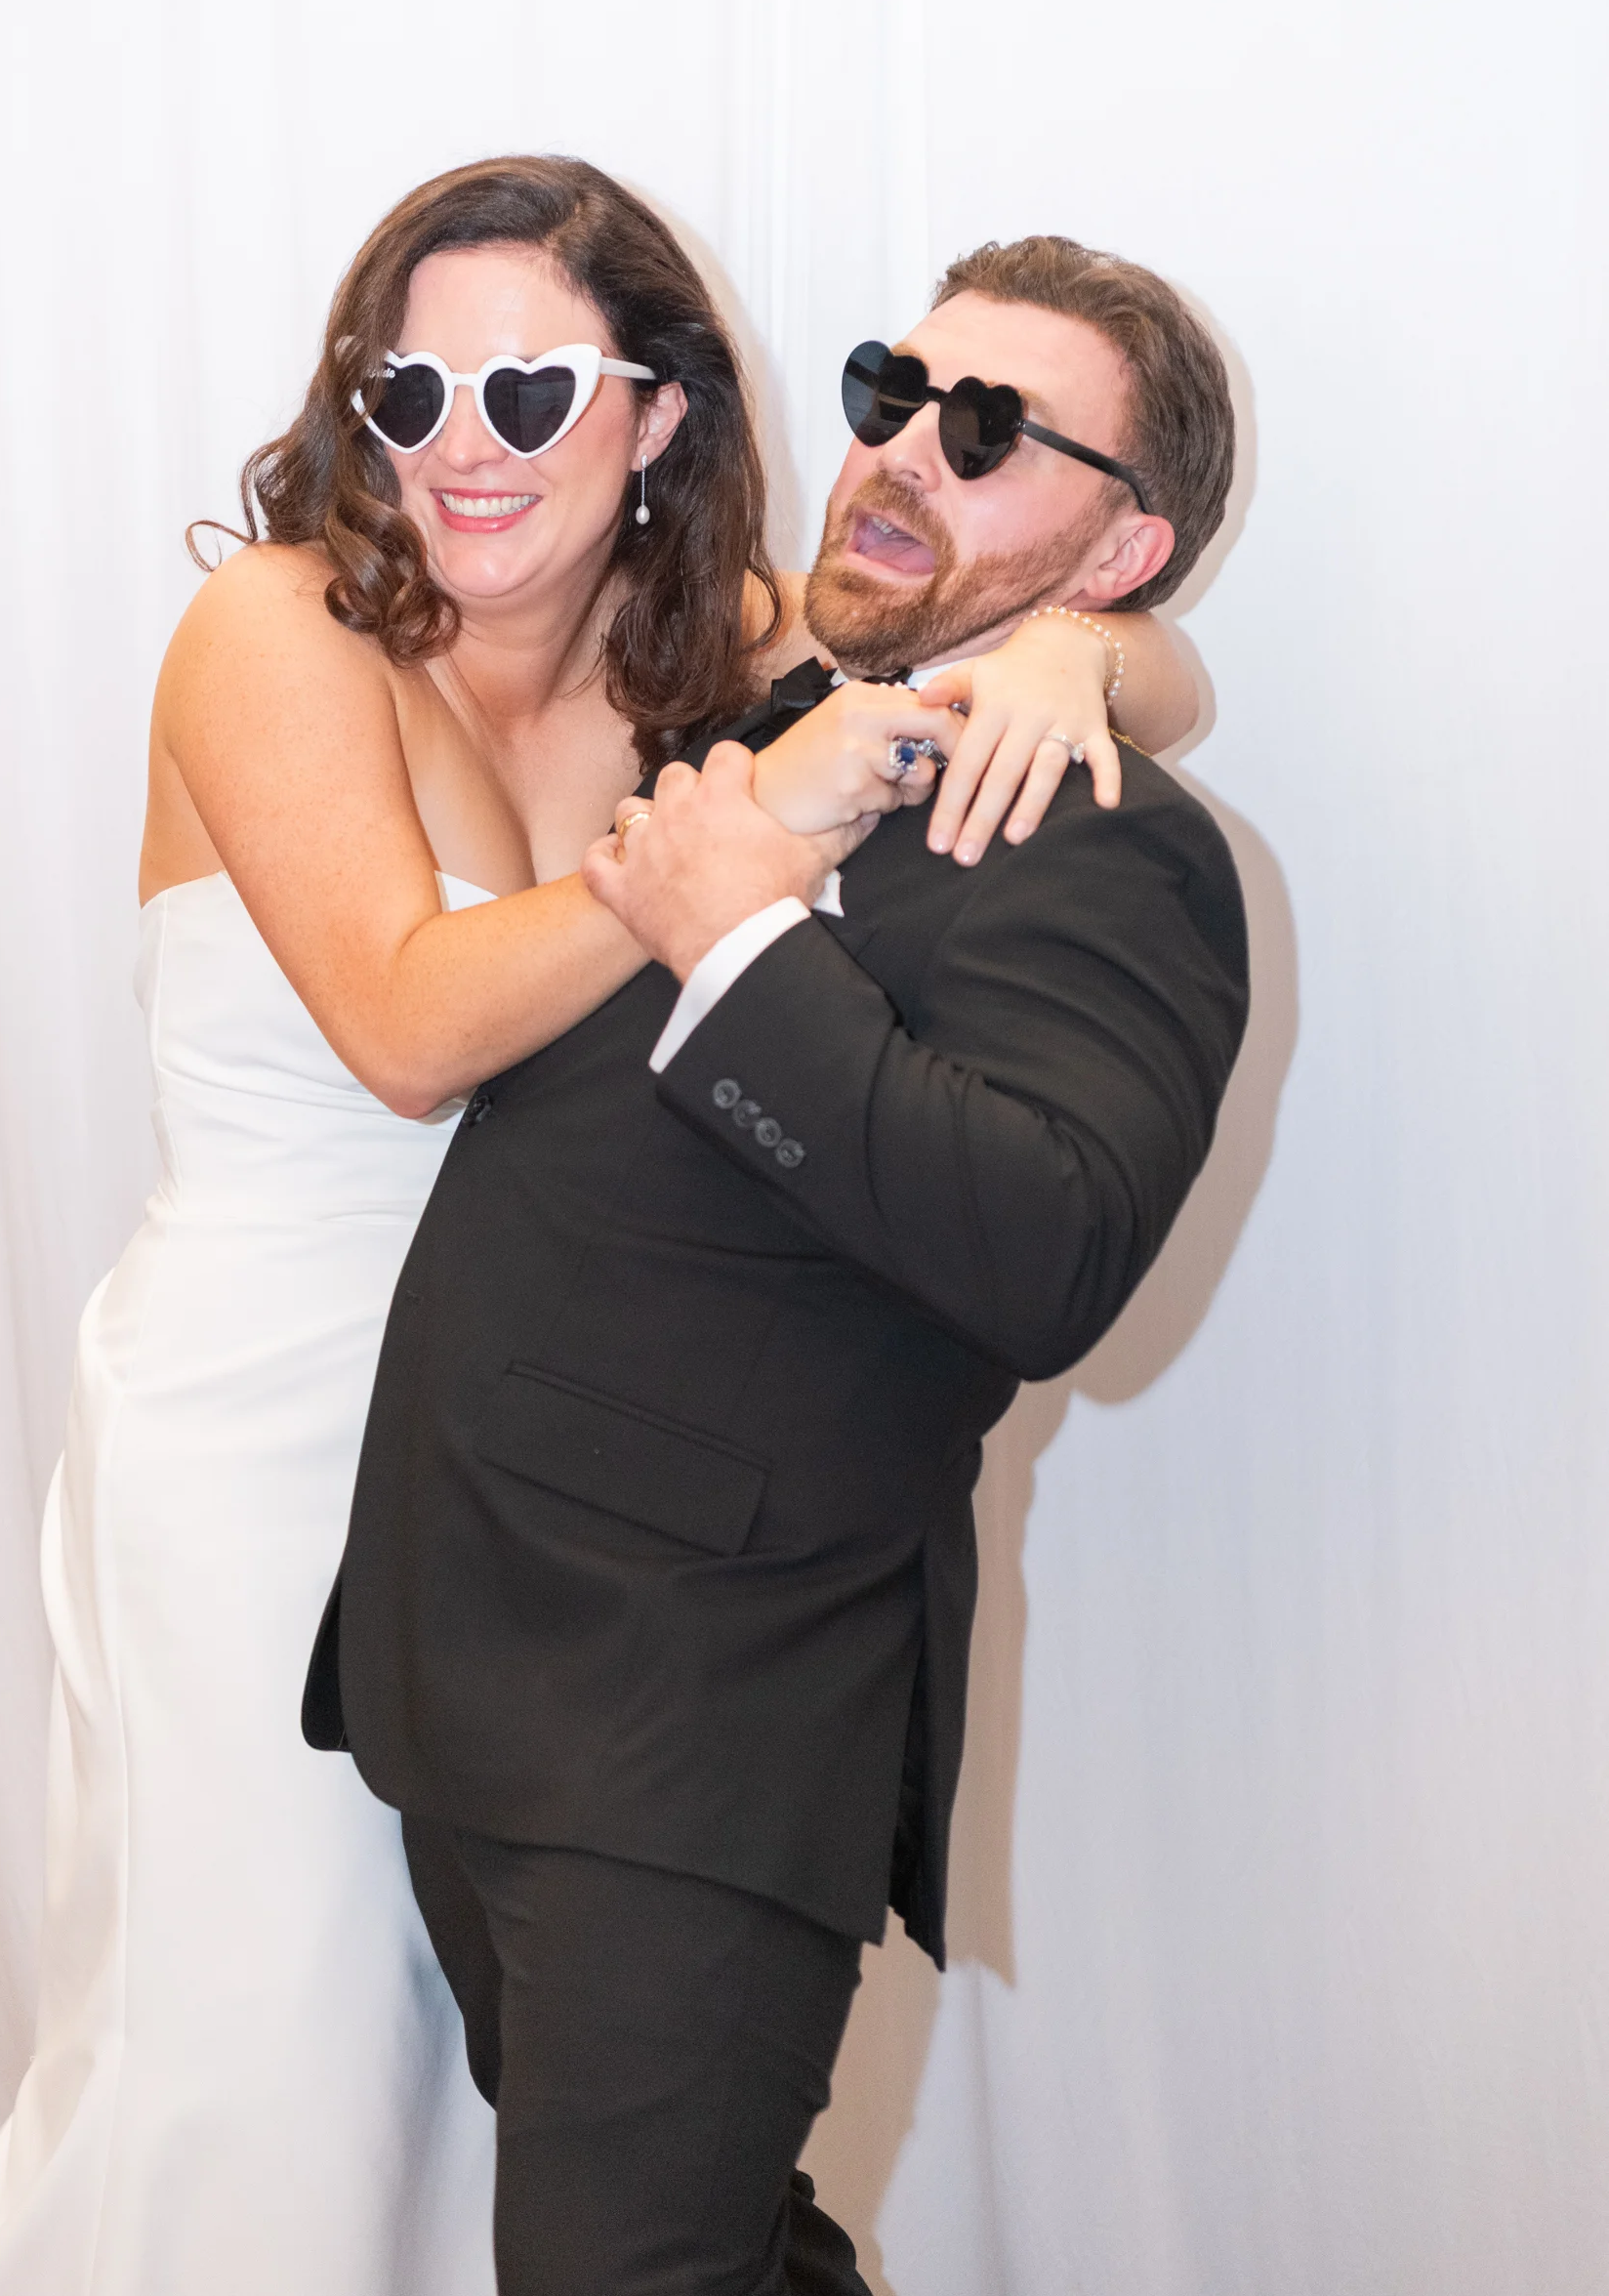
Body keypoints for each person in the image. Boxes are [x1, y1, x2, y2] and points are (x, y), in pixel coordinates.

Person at [0, 158, 1195, 2296]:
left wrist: (1084, 659)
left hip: (531, 1510)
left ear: (653, 415)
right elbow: (402, 1023)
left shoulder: (693, 652)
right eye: (411, 391)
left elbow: (1034, 635)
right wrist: (737, 835)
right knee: (250, 2064)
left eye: (530, 393)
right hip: (259, 1452)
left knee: (490, 2140)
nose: (464, 444)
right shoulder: (278, 626)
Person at [316, 230, 1252, 2296]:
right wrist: (1064, 646)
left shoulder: (1119, 845)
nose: (906, 449)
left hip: (701, 1725)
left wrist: (738, 934)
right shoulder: (757, 708)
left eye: (990, 430)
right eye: (891, 394)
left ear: (1121, 546)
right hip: (477, 1665)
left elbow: (1047, 1255)